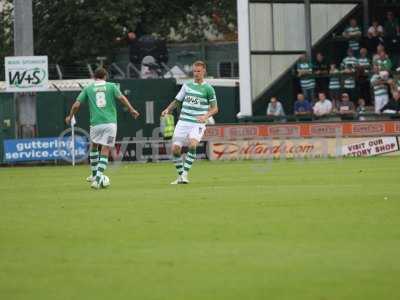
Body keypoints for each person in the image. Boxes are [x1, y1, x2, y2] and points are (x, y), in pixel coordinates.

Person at [65, 67, 140, 189]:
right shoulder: (111, 86)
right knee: (105, 149)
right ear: (105, 76)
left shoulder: (88, 88)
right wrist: (131, 109)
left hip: (95, 124)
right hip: (110, 124)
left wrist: (70, 116)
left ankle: (94, 175)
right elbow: (122, 98)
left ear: (94, 77)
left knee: (94, 146)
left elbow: (76, 105)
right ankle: (97, 179)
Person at [161, 61, 218, 185]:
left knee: (192, 145)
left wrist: (205, 116)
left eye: (198, 71)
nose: (196, 73)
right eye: (194, 71)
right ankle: (181, 176)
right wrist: (167, 109)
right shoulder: (186, 86)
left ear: (204, 72)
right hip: (183, 122)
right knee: (175, 149)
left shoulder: (208, 88)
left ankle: (185, 175)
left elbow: (215, 108)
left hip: (197, 123)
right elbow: (177, 101)